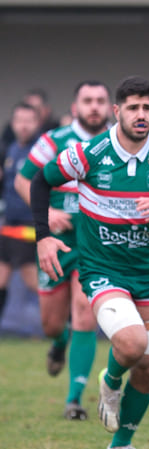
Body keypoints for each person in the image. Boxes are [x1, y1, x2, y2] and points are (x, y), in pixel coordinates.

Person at [31, 76, 149, 449]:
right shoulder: (90, 153)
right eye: (133, 108)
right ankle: (108, 384)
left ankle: (121, 445)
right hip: (102, 269)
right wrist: (42, 236)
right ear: (117, 111)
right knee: (131, 344)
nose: (140, 115)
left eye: (147, 108)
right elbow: (42, 180)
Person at [14, 80, 111, 420]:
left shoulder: (115, 143)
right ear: (75, 107)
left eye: (101, 100)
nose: (94, 106)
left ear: (110, 107)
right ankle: (59, 342)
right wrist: (49, 213)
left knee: (86, 311)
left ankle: (74, 399)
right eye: (88, 100)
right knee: (52, 324)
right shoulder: (53, 141)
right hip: (57, 242)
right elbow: (22, 180)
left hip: (95, 242)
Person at [0, 103, 42, 324]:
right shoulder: (11, 149)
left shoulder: (40, 151)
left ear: (36, 123)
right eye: (20, 121)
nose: (24, 126)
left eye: (28, 121)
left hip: (28, 228)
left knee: (33, 281)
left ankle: (64, 322)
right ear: (13, 123)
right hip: (9, 225)